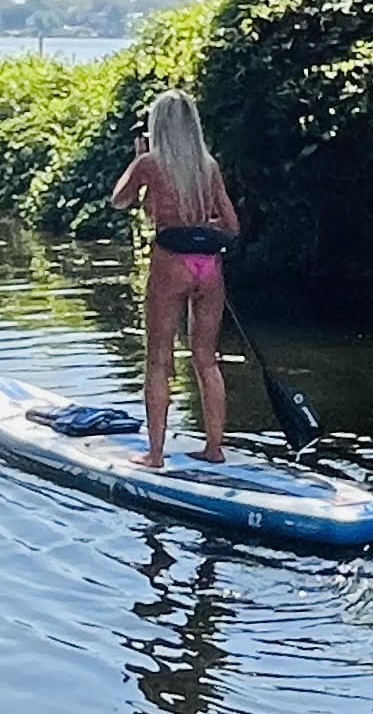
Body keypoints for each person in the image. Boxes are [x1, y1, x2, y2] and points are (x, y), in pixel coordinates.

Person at [109, 89, 240, 467]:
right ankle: (215, 449)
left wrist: (136, 163)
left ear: (158, 126)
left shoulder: (150, 162)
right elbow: (231, 225)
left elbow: (119, 199)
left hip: (171, 263)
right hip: (209, 266)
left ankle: (154, 454)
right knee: (206, 359)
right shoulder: (208, 165)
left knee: (158, 360)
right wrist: (201, 226)